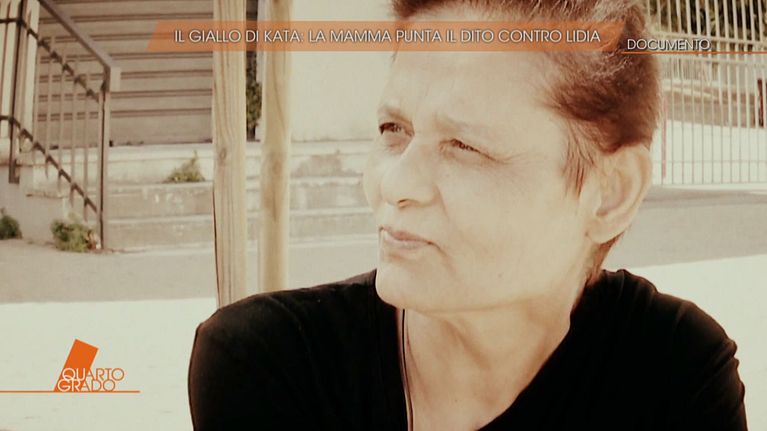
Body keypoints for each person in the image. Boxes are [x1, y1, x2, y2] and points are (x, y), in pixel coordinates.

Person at [187, 0, 748, 429]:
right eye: (393, 129)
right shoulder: (271, 367)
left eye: (464, 146)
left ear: (611, 192)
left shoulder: (672, 373)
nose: (395, 183)